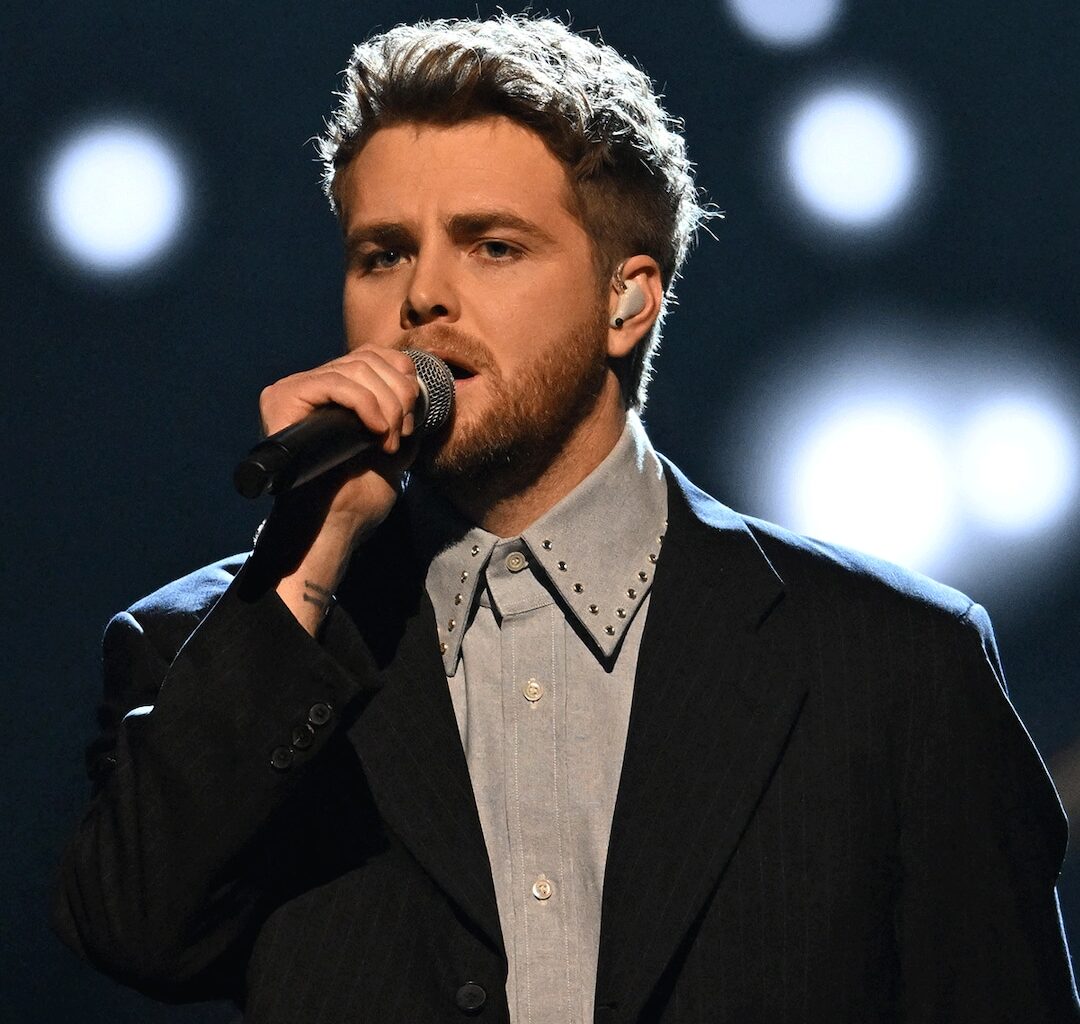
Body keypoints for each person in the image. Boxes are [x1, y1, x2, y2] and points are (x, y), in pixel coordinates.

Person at [52, 14, 1078, 1024]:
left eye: (493, 247)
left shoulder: (896, 664)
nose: (423, 297)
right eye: (382, 254)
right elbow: (136, 933)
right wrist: (308, 560)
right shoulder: (212, 651)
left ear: (628, 302)